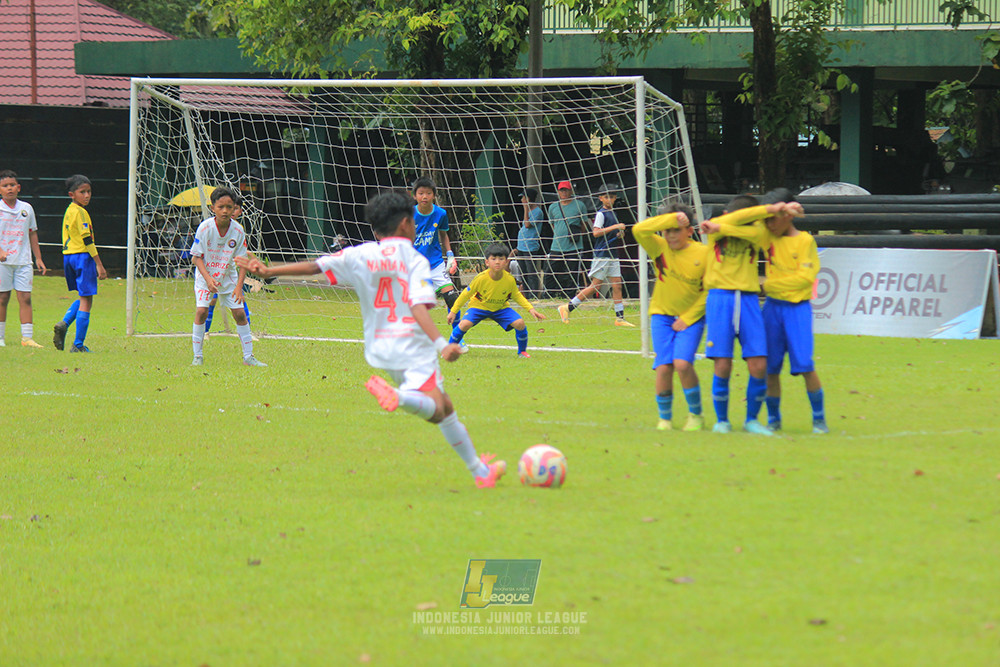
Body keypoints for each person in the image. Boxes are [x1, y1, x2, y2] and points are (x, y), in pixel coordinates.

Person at [235, 190, 506, 488]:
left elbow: (316, 267)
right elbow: (417, 306)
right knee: (438, 409)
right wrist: (443, 345)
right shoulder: (415, 260)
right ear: (405, 224)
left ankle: (480, 472)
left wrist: (270, 270)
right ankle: (399, 397)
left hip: (380, 349)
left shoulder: (360, 254)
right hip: (413, 347)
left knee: (445, 408)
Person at [698, 194, 796, 435]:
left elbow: (752, 230)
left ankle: (751, 420)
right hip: (721, 299)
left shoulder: (757, 232)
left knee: (759, 363)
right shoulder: (716, 232)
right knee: (722, 363)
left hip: (750, 300)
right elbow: (737, 218)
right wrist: (725, 224)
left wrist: (767, 211)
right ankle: (722, 421)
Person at [755, 189, 828, 434]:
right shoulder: (767, 235)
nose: (768, 223)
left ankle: (819, 420)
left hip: (797, 310)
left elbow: (805, 279)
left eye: (774, 217)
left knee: (805, 365)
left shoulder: (805, 241)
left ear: (788, 214)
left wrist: (768, 285)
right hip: (772, 310)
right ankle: (773, 419)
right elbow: (743, 219)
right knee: (770, 368)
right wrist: (769, 212)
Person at [632, 203, 709, 431]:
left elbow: (711, 290)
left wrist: (690, 317)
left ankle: (696, 415)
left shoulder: (703, 254)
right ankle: (665, 419)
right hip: (662, 316)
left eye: (677, 230)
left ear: (690, 231)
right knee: (664, 367)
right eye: (668, 230)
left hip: (691, 318)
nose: (672, 235)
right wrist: (670, 219)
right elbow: (638, 230)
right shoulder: (659, 248)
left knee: (683, 364)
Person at [190, 186, 265, 367]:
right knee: (201, 311)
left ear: (234, 209)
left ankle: (248, 357)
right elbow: (195, 258)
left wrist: (239, 287)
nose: (225, 211)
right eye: (220, 207)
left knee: (239, 314)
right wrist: (208, 280)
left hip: (228, 278)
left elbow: (242, 261)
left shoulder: (238, 230)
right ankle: (197, 357)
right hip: (205, 277)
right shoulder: (205, 228)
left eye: (229, 207)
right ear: (213, 207)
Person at [446, 242, 546, 357]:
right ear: (487, 262)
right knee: (463, 324)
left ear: (506, 261)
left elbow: (517, 295)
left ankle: (522, 352)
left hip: (500, 309)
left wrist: (531, 309)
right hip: (478, 308)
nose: (497, 262)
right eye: (493, 259)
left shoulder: (509, 280)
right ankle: (449, 350)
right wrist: (453, 311)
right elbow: (464, 295)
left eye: (501, 259)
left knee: (520, 323)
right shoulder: (480, 278)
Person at [558, 184, 633, 327]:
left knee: (617, 285)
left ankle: (620, 318)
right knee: (595, 286)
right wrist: (615, 227)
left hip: (613, 254)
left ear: (615, 198)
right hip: (602, 254)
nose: (609, 199)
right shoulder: (601, 214)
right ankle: (567, 307)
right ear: (600, 198)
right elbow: (596, 232)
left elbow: (610, 233)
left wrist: (619, 234)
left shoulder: (613, 213)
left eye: (612, 197)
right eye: (606, 197)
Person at [53, 175, 107, 353]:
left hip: (68, 256)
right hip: (83, 256)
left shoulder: (69, 210)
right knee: (87, 299)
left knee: (83, 296)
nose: (87, 195)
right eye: (82, 192)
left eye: (89, 191)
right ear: (72, 194)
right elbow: (87, 238)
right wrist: (99, 263)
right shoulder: (81, 212)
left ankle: (64, 323)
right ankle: (78, 344)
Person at [0, 170, 47, 348]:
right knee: (3, 297)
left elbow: (32, 233)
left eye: (12, 185)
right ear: (0, 189)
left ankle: (27, 338)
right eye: (5, 186)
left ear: (18, 187)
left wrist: (38, 258)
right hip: (3, 262)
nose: (9, 188)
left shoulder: (26, 209)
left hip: (23, 261)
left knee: (25, 297)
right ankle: (0, 338)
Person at [412, 177, 462, 326]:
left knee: (453, 298)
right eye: (421, 193)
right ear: (415, 196)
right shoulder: (408, 214)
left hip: (436, 263)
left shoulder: (441, 214)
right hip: (415, 266)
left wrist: (450, 254)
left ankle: (457, 338)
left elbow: (443, 234)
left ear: (434, 195)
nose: (425, 197)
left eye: (428, 193)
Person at [204, 201, 253, 338]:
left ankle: (247, 332)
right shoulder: (212, 226)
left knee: (238, 299)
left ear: (239, 211)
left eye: (235, 208)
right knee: (211, 300)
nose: (231, 211)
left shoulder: (238, 229)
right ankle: (205, 331)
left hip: (229, 272)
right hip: (213, 271)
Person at [545, 180, 590, 299]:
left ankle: (570, 297)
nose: (564, 192)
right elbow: (553, 225)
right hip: (557, 245)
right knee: (550, 271)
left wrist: (575, 234)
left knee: (572, 272)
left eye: (566, 190)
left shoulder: (580, 205)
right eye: (561, 190)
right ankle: (550, 295)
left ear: (571, 191)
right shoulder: (553, 207)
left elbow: (584, 224)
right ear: (558, 192)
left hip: (574, 245)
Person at [512, 188, 544, 298]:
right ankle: (525, 295)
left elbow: (527, 224)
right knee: (523, 273)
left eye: (523, 197)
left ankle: (533, 296)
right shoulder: (529, 211)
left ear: (528, 198)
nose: (521, 200)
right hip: (521, 246)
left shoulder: (538, 212)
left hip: (530, 247)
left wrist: (525, 208)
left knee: (531, 273)